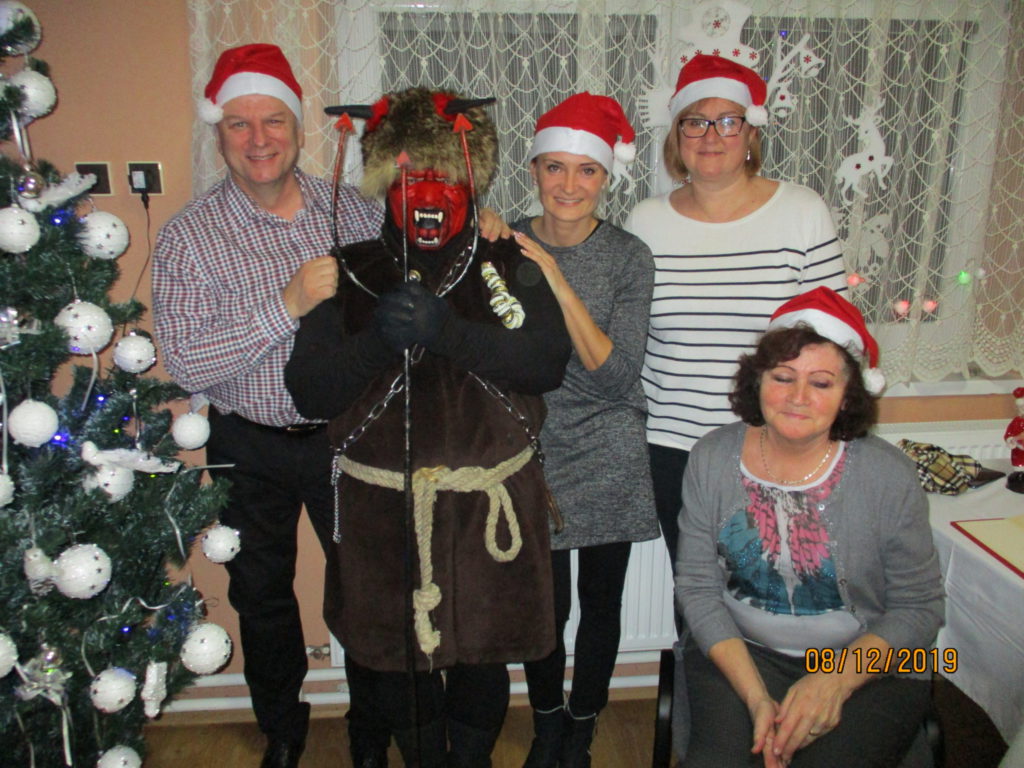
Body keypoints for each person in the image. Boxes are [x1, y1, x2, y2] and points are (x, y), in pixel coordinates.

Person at [152, 46, 505, 768]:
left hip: (349, 438)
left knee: (371, 595)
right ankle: (283, 730)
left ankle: (368, 734)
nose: (258, 139)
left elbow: (431, 241)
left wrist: (481, 220)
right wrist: (283, 306)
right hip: (246, 441)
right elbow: (186, 363)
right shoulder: (189, 235)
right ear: (218, 133)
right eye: (240, 124)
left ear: (297, 128)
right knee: (261, 596)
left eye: (273, 121)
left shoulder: (353, 210)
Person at [284, 87, 571, 768]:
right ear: (385, 182)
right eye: (412, 175)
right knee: (395, 663)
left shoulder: (509, 262)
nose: (430, 193)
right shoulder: (348, 271)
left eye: (446, 175)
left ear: (472, 181)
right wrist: (375, 342)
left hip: (486, 511)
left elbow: (546, 363)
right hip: (381, 517)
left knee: (481, 655)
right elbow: (310, 392)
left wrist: (448, 332)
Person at [676, 286, 944, 768]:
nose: (798, 398)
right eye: (783, 377)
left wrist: (835, 681)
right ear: (757, 381)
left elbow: (919, 608)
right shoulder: (710, 458)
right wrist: (757, 698)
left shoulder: (888, 475)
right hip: (742, 655)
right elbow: (697, 588)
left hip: (866, 665)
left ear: (848, 396)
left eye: (821, 383)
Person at [623, 54, 849, 569]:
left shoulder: (802, 212)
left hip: (770, 441)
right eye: (695, 121)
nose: (711, 135)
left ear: (751, 132)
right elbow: (629, 338)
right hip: (671, 447)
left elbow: (833, 345)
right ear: (677, 134)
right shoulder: (646, 221)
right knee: (694, 586)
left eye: (728, 120)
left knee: (770, 585)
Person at [509, 93, 659, 768]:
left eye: (587, 170)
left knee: (600, 602)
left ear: (606, 177)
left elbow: (617, 377)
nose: (569, 185)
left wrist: (556, 280)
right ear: (534, 170)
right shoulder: (501, 243)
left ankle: (583, 722)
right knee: (543, 604)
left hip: (607, 444)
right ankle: (547, 724)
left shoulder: (628, 256)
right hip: (529, 447)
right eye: (555, 167)